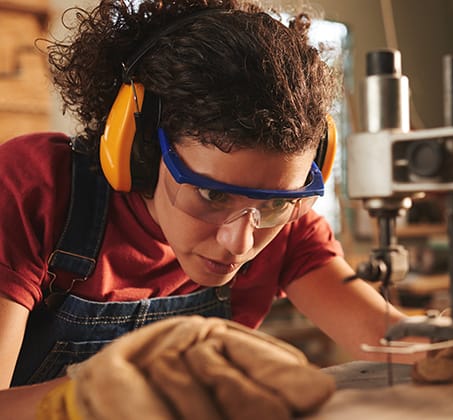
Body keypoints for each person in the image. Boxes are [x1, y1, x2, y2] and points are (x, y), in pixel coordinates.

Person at [0, 0, 411, 415]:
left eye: (275, 204)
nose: (240, 242)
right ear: (139, 149)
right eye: (213, 196)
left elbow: (397, 342)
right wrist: (82, 400)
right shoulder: (38, 191)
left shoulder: (285, 220)